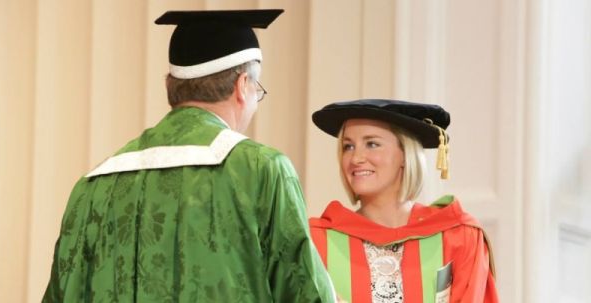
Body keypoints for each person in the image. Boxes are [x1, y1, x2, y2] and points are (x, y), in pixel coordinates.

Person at [43, 9, 335, 302]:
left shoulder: (92, 186)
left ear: (170, 86)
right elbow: (307, 291)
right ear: (242, 86)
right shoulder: (261, 170)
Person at [309, 99, 498, 303]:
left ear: (405, 155)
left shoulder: (458, 236)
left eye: (372, 144)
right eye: (348, 146)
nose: (356, 158)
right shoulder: (316, 243)